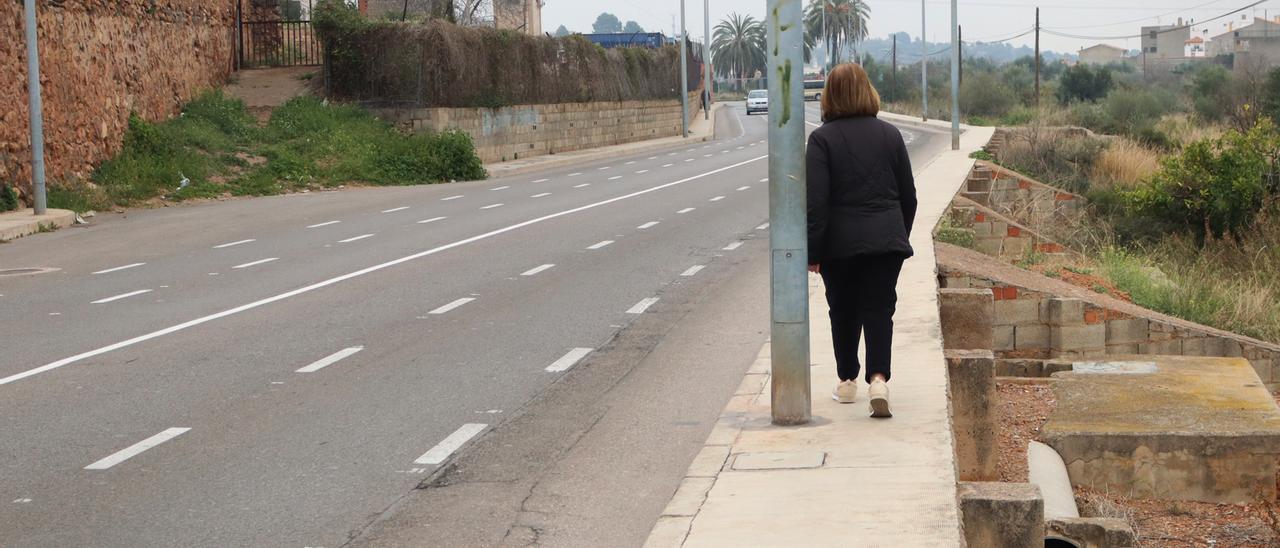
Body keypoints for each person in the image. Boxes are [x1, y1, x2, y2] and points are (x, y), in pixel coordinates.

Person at [806, 63, 917, 419]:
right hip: (886, 240)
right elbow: (908, 196)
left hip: (839, 244)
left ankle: (847, 380)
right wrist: (898, 234)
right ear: (867, 90)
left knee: (842, 309)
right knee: (880, 308)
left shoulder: (821, 140)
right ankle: (879, 380)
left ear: (830, 96)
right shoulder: (890, 135)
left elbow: (817, 204)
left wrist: (814, 251)